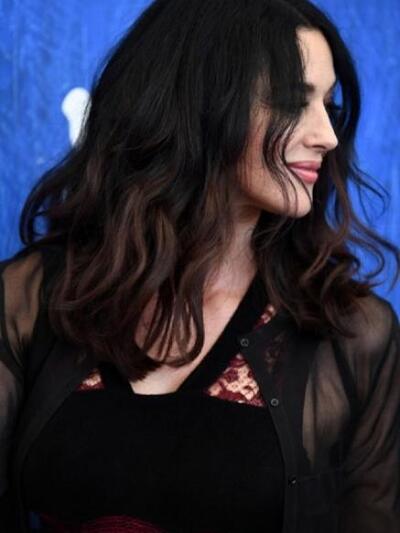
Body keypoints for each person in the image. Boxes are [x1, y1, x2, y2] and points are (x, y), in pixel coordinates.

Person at [1, 0, 399, 531]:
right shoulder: (30, 298)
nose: (327, 135)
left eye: (329, 105)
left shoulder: (351, 335)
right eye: (292, 101)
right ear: (199, 102)